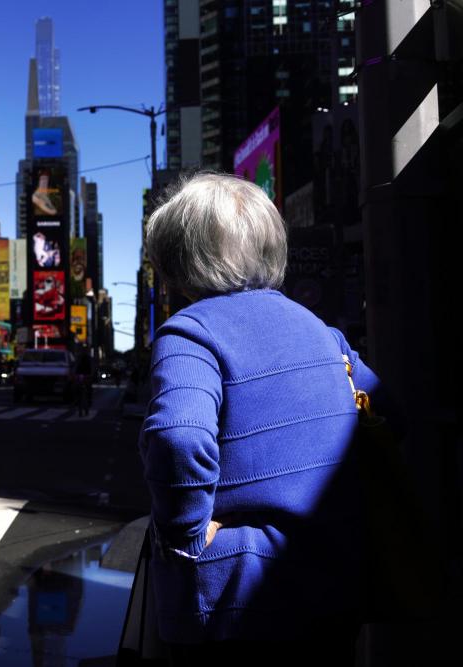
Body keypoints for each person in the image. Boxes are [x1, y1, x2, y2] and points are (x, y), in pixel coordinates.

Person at [138, 172, 376, 664]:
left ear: (179, 259)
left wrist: (185, 536)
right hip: (337, 586)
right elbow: (389, 418)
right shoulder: (324, 333)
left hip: (233, 604)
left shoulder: (191, 333)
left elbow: (177, 438)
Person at [74, 348, 92, 416]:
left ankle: (88, 401)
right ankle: (77, 402)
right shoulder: (79, 361)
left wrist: (89, 376)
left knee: (88, 390)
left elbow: (90, 370)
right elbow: (76, 370)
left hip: (86, 377)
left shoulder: (88, 361)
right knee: (77, 389)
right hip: (81, 377)